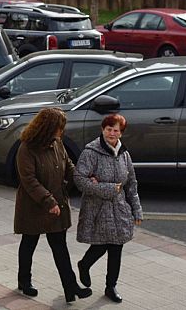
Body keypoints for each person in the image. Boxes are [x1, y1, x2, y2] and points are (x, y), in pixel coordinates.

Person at [14, 107, 92, 303]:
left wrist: (83, 179)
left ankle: (70, 288)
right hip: (34, 205)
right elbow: (29, 180)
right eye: (59, 128)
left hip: (57, 204)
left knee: (59, 247)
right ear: (47, 127)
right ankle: (24, 281)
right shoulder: (26, 148)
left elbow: (68, 165)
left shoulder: (57, 143)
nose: (61, 132)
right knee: (29, 243)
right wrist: (48, 201)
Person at [73, 113, 142, 304]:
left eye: (116, 130)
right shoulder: (91, 152)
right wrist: (106, 188)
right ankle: (84, 265)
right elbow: (79, 179)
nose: (112, 133)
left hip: (119, 209)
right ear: (103, 130)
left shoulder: (124, 154)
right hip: (98, 208)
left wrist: (137, 210)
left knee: (116, 247)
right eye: (109, 129)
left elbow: (131, 184)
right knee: (101, 245)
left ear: (121, 133)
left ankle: (111, 286)